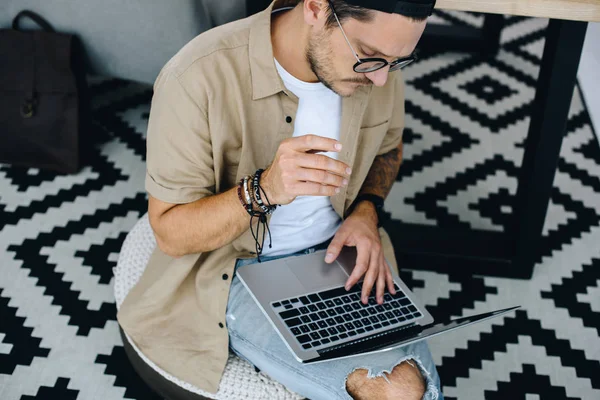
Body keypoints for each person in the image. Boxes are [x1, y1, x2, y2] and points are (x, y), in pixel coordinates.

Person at [117, 0, 443, 399]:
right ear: (316, 7)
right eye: (370, 57)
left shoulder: (379, 68)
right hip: (233, 268)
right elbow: (170, 233)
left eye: (397, 62)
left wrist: (365, 211)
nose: (379, 80)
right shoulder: (197, 76)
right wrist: (263, 190)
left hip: (338, 257)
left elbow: (389, 149)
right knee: (392, 393)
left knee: (413, 387)